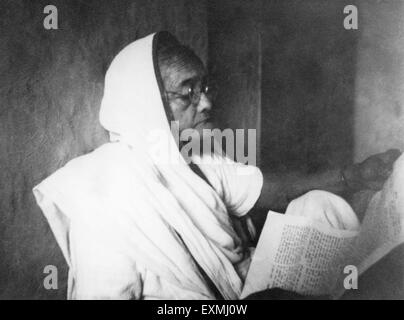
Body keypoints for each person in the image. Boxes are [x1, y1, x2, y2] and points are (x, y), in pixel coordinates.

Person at [33, 31, 400, 300]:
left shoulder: (193, 155)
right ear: (143, 103)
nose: (206, 104)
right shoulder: (106, 194)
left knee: (319, 206)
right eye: (188, 93)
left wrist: (355, 176)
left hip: (243, 294)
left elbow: (268, 190)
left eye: (205, 88)